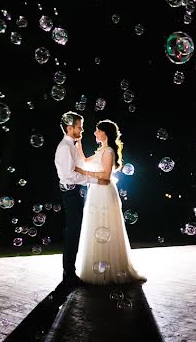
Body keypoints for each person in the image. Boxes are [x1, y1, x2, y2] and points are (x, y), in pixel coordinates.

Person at [72, 119, 146, 285]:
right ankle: (97, 269)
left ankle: (110, 271)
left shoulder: (109, 151)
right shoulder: (101, 150)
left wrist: (83, 172)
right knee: (96, 228)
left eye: (97, 130)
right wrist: (78, 143)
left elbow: (105, 177)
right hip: (96, 191)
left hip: (104, 192)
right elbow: (83, 160)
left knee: (105, 227)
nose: (95, 133)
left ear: (105, 133)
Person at [54, 111, 109, 286]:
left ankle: (70, 272)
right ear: (70, 128)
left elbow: (80, 167)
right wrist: (95, 180)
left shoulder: (72, 145)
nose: (82, 130)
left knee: (76, 233)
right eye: (79, 126)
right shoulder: (64, 147)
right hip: (70, 192)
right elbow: (70, 175)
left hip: (76, 192)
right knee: (72, 234)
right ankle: (68, 275)